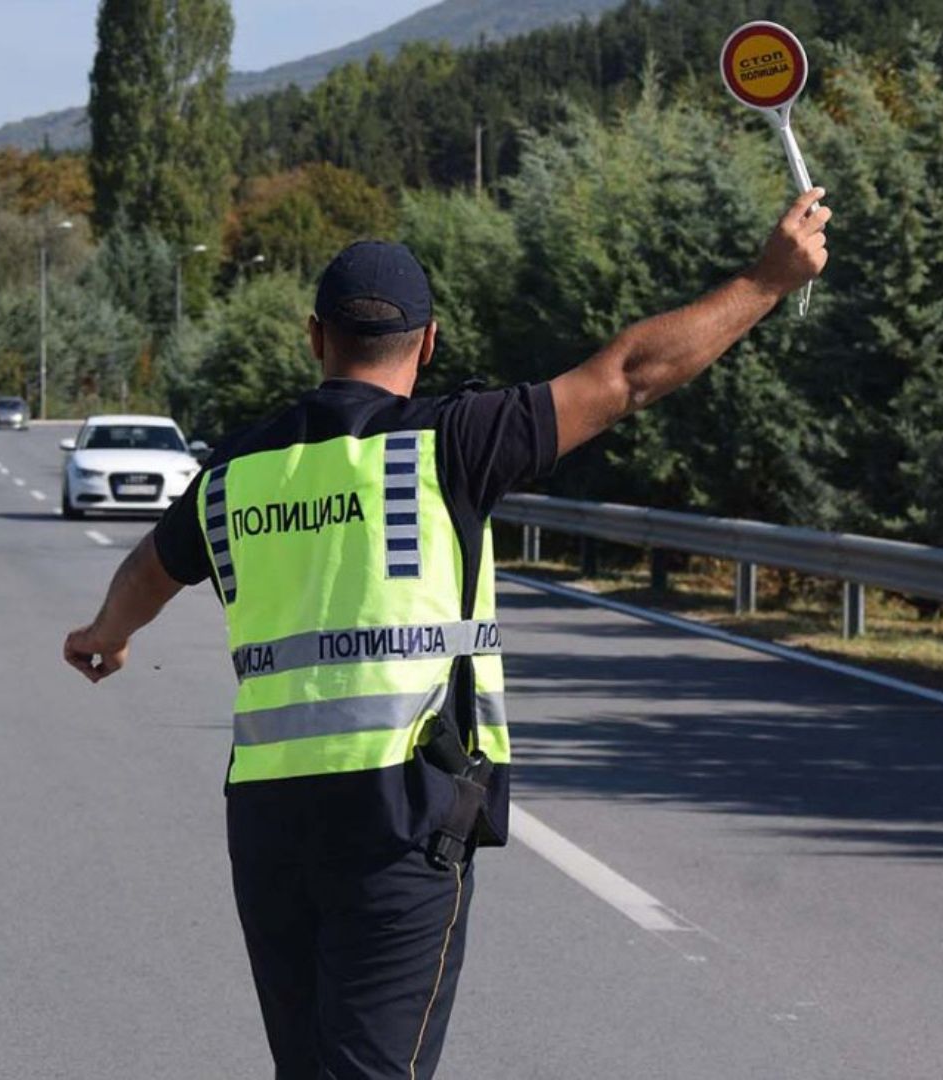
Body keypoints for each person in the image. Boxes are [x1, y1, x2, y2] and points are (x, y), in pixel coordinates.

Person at [62, 185, 831, 1079]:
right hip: (401, 816)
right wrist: (766, 282)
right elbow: (626, 376)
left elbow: (151, 568)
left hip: (270, 820)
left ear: (315, 338)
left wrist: (107, 633)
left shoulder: (236, 469)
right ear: (428, 344)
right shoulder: (452, 441)